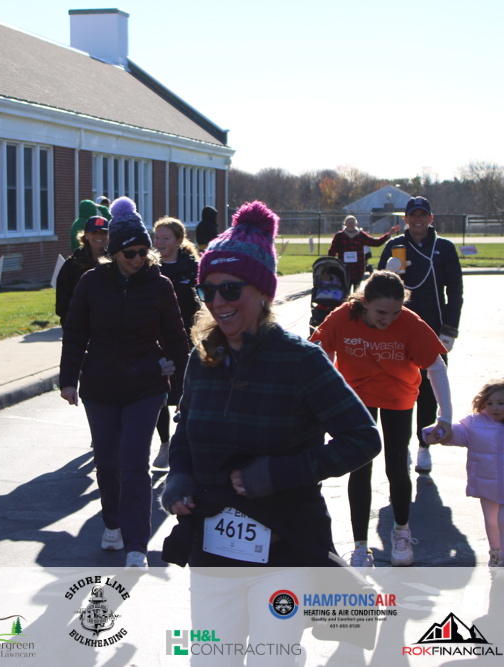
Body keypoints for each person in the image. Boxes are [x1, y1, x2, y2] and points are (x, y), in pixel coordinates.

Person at [159, 201, 381, 656]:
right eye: (208, 289)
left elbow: (363, 438)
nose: (218, 301)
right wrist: (179, 477)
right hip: (211, 553)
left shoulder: (301, 361)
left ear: (262, 292)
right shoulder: (202, 360)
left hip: (283, 553)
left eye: (231, 289)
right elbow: (184, 433)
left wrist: (280, 474)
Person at [59, 196, 189, 570]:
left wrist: (186, 385)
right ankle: (112, 523)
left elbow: (176, 336)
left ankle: (136, 545)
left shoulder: (160, 286)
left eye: (143, 252)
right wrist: (68, 379)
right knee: (107, 463)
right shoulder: (91, 283)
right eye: (130, 253)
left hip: (145, 385)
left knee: (134, 463)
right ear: (114, 252)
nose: (137, 259)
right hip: (99, 386)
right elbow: (75, 332)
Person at [311, 270, 451, 567]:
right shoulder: (342, 317)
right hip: (356, 400)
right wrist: (323, 405)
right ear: (364, 301)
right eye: (381, 312)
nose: (388, 320)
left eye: (395, 312)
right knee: (359, 468)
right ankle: (360, 547)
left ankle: (401, 532)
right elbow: (319, 357)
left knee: (396, 466)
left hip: (397, 397)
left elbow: (436, 367)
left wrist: (446, 417)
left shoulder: (410, 323)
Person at [378, 196, 463, 475]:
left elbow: (455, 291)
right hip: (397, 329)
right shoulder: (395, 246)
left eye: (422, 215)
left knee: (429, 391)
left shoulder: (444, 248)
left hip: (433, 328)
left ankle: (424, 445)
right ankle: (400, 445)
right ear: (405, 219)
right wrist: (387, 273)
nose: (418, 220)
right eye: (412, 215)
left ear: (430, 218)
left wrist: (450, 329)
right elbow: (377, 289)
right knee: (398, 389)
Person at [424, 378, 504, 568]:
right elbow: (456, 433)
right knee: (491, 521)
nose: (494, 408)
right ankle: (495, 552)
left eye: (501, 403)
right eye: (489, 403)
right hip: (485, 484)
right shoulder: (475, 424)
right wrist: (436, 433)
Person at [151, 216, 201, 469]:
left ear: (179, 240)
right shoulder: (149, 268)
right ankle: (165, 444)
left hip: (188, 339)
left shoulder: (193, 268)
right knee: (159, 393)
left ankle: (186, 445)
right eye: (157, 237)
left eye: (166, 238)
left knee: (187, 393)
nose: (159, 242)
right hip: (158, 339)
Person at [55, 215, 108, 324]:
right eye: (94, 232)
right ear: (86, 235)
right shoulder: (72, 265)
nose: (99, 236)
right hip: (78, 325)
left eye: (103, 232)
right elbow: (62, 302)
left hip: (107, 326)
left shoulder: (116, 262)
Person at [327, 215, 400, 292]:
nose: (350, 225)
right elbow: (332, 251)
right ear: (345, 224)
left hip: (358, 269)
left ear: (356, 224)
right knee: (344, 291)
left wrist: (388, 235)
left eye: (352, 223)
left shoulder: (361, 235)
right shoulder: (339, 236)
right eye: (348, 223)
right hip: (344, 269)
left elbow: (375, 242)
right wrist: (329, 264)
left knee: (357, 291)